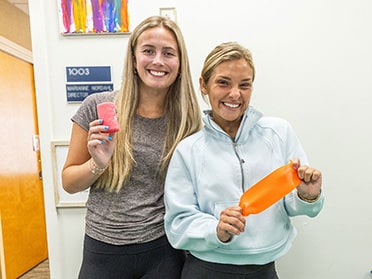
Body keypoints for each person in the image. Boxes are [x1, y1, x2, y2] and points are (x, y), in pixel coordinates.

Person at [163, 42, 324, 279]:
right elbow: (178, 224)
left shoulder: (279, 133)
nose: (235, 94)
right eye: (223, 82)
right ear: (203, 85)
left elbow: (293, 205)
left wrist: (307, 196)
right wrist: (215, 230)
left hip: (265, 270)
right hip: (207, 270)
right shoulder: (188, 150)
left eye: (244, 85)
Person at [62, 16, 202, 279]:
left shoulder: (187, 121)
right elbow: (69, 183)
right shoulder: (98, 107)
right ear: (134, 59)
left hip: (164, 251)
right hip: (102, 250)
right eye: (148, 51)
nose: (158, 60)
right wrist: (98, 165)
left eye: (168, 53)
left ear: (180, 63)